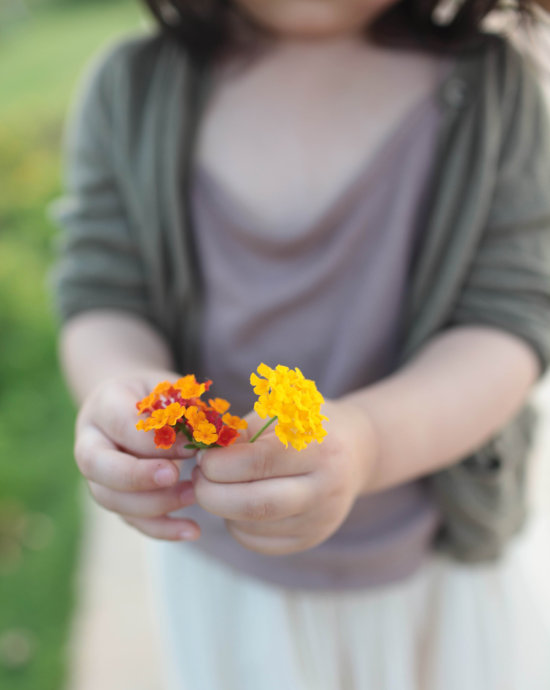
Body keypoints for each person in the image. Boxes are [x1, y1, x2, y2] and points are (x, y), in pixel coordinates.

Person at [51, 0, 550, 688]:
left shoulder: (497, 94)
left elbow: (510, 323)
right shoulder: (131, 89)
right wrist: (122, 387)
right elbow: (103, 292)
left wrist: (368, 440)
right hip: (225, 577)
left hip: (429, 568)